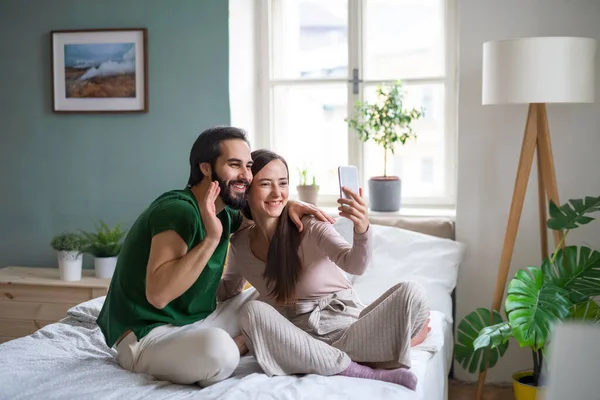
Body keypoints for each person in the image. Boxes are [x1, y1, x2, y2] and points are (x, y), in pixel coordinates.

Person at [96, 127, 334, 387]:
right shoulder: (177, 210)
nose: (245, 176)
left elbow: (262, 217)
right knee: (221, 351)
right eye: (234, 165)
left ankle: (257, 341)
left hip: (199, 321)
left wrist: (287, 204)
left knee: (274, 292)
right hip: (148, 336)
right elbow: (159, 294)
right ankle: (241, 345)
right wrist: (211, 238)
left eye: (249, 166)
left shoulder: (226, 212)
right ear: (206, 168)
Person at [218, 149, 431, 391]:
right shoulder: (239, 243)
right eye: (266, 184)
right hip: (299, 338)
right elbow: (228, 289)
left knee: (412, 292)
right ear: (246, 190)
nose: (277, 193)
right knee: (252, 311)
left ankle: (335, 358)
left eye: (283, 183)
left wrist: (362, 228)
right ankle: (366, 368)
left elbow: (355, 264)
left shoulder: (310, 225)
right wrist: (206, 245)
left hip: (349, 329)